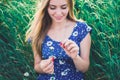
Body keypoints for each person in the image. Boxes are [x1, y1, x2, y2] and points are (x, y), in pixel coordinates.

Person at [25, 0, 92, 80]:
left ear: (69, 6)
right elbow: (37, 66)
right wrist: (42, 66)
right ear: (46, 7)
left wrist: (75, 57)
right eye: (52, 8)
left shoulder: (81, 29)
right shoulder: (39, 31)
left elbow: (84, 68)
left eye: (63, 7)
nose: (58, 13)